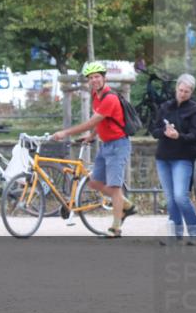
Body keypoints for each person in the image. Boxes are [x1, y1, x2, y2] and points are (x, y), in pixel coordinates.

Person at [52, 62, 137, 238]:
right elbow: (100, 123)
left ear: (104, 78)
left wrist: (65, 132)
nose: (94, 80)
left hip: (118, 145)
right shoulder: (96, 96)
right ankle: (126, 205)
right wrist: (91, 137)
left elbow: (92, 121)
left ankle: (116, 228)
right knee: (94, 183)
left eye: (97, 76)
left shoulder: (110, 98)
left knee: (114, 187)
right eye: (91, 78)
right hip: (104, 144)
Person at [149, 73, 196, 243]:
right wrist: (164, 132)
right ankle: (175, 233)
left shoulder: (195, 109)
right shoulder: (165, 106)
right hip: (163, 157)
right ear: (176, 89)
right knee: (170, 198)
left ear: (191, 92)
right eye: (180, 90)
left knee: (181, 196)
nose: (182, 94)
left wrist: (178, 136)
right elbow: (154, 130)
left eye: (187, 92)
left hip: (183, 157)